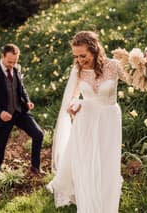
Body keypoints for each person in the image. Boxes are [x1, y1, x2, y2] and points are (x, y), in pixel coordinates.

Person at [47, 31, 132, 213]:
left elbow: (136, 80)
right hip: (85, 122)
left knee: (107, 165)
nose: (79, 60)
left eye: (83, 55)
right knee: (86, 165)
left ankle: (107, 206)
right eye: (76, 56)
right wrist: (73, 105)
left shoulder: (114, 66)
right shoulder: (78, 71)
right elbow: (72, 98)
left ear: (94, 50)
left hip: (109, 121)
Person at [0, 43, 45, 177]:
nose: (12, 65)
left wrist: (27, 101)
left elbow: (21, 88)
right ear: (2, 56)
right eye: (9, 61)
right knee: (0, 146)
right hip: (3, 115)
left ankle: (35, 167)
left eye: (15, 62)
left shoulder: (16, 68)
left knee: (38, 134)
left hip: (20, 112)